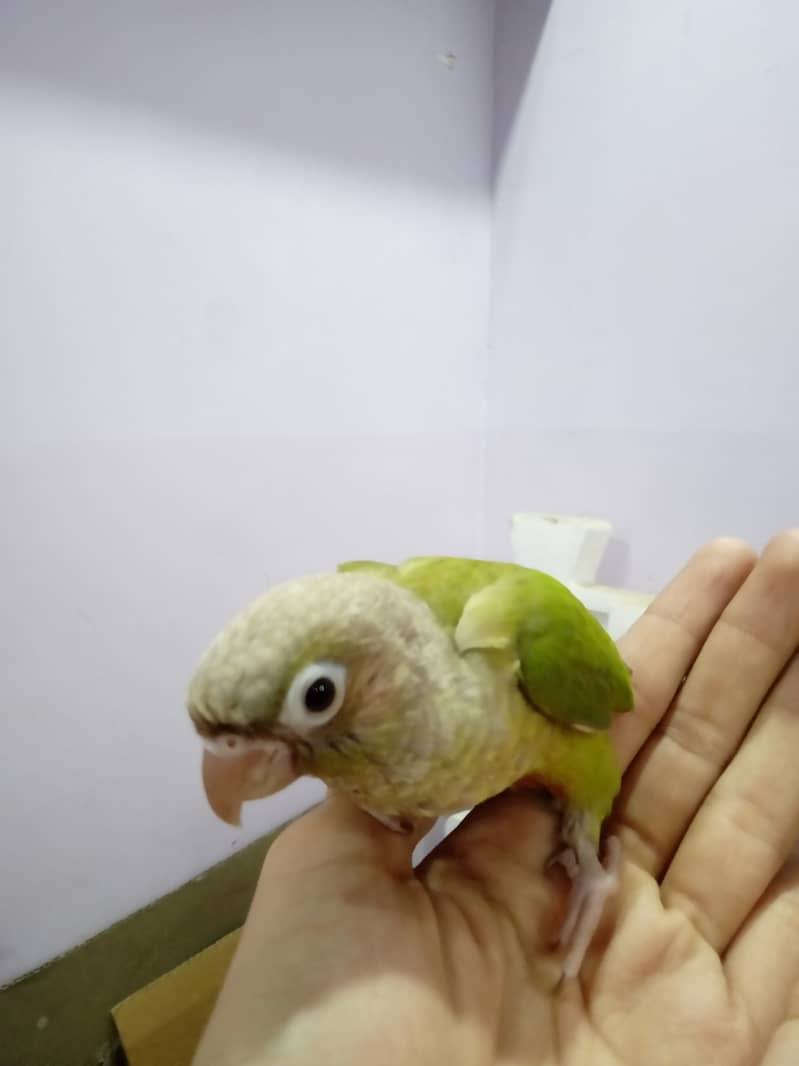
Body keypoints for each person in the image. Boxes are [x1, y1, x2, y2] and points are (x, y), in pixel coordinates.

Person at [193, 532, 799, 1066]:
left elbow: (615, 713)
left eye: (318, 696)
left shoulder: (525, 643)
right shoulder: (360, 708)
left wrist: (590, 868)